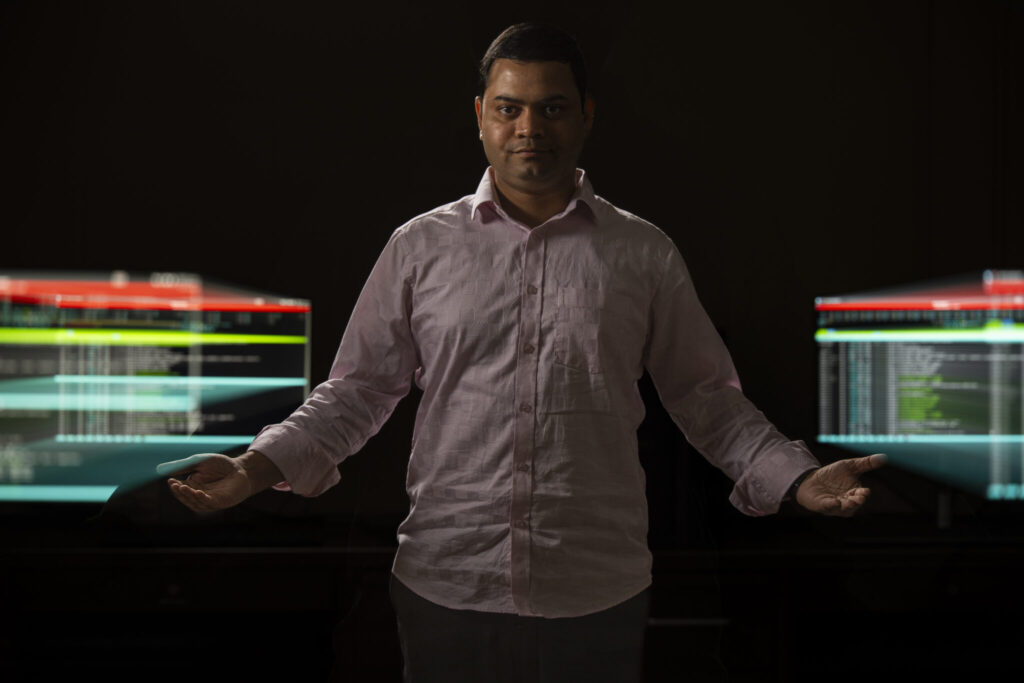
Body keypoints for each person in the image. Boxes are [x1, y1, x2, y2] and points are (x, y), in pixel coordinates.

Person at [161, 23, 884, 682]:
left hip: (596, 593)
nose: (529, 128)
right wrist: (256, 468)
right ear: (479, 116)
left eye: (552, 108)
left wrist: (796, 478)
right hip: (447, 585)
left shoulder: (642, 253)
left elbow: (707, 399)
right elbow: (356, 392)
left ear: (586, 115)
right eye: (509, 108)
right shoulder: (419, 248)